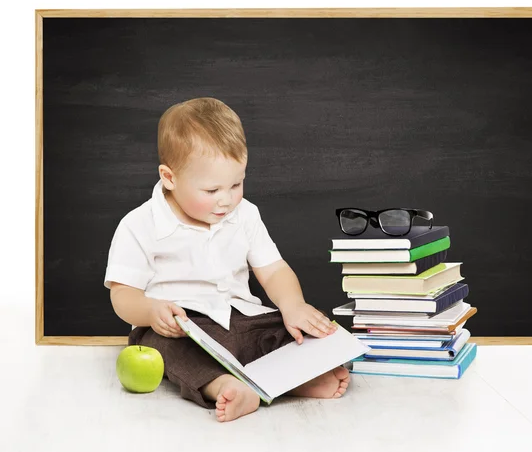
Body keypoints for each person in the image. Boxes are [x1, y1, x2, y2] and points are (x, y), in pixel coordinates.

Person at [104, 97, 351, 422]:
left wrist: (293, 305)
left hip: (243, 319)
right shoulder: (140, 224)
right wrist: (151, 311)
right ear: (170, 177)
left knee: (294, 328)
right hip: (181, 327)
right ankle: (223, 385)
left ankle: (293, 376)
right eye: (211, 190)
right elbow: (122, 294)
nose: (227, 199)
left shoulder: (245, 214)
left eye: (237, 184)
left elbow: (273, 269)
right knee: (168, 350)